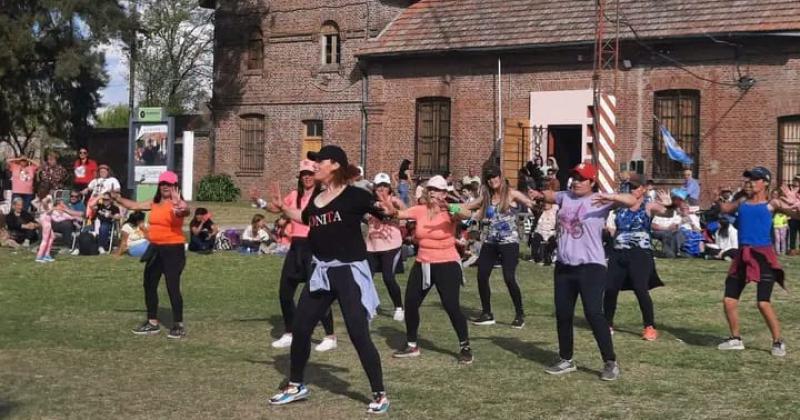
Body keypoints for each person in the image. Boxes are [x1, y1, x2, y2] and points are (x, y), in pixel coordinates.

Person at [268, 145, 390, 414]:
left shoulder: (355, 196)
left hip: (348, 272)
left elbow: (384, 212)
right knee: (301, 328)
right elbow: (306, 217)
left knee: (358, 333)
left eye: (319, 162)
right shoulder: (318, 199)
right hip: (321, 271)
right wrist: (282, 210)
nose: (315, 166)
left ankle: (379, 394)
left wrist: (388, 207)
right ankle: (296, 385)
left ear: (335, 165)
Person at [528, 162, 638, 381]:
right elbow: (550, 195)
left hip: (591, 266)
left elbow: (633, 201)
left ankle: (610, 362)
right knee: (563, 314)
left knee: (594, 314)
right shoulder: (565, 196)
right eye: (575, 178)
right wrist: (538, 193)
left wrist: (612, 197)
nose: (577, 182)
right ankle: (566, 359)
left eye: (582, 179)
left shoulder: (600, 201)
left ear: (592, 182)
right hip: (564, 266)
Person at [384, 175, 474, 364]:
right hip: (423, 262)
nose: (433, 192)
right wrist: (391, 209)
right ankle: (411, 344)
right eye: (430, 189)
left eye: (437, 190)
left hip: (447, 263)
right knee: (410, 303)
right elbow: (398, 215)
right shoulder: (420, 210)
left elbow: (467, 214)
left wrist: (450, 206)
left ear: (444, 193)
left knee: (451, 306)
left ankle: (465, 346)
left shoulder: (450, 211)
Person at [716, 167, 798, 357]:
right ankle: (735, 339)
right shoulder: (742, 202)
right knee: (729, 300)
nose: (750, 182)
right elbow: (725, 209)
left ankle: (778, 341)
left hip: (763, 256)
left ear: (765, 183)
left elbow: (796, 215)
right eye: (749, 179)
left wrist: (795, 203)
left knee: (763, 302)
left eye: (755, 179)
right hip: (743, 255)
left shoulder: (772, 203)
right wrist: (719, 198)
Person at [257, 159, 337, 352]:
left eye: (310, 174)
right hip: (296, 247)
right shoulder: (294, 195)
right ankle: (289, 332)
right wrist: (260, 203)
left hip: (314, 247)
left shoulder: (323, 196)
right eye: (303, 174)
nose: (307, 177)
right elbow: (278, 208)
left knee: (318, 293)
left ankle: (330, 335)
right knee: (285, 292)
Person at [111, 171, 189, 339]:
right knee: (149, 283)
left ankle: (178, 324)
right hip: (155, 248)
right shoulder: (154, 203)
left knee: (172, 286)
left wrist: (179, 205)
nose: (165, 187)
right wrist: (117, 198)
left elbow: (184, 211)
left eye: (168, 184)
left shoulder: (178, 203)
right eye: (162, 184)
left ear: (175, 186)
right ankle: (152, 322)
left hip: (173, 249)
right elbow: (134, 206)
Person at [465, 166, 537, 328]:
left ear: (500, 176)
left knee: (509, 277)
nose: (493, 180)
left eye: (495, 176)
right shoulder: (486, 196)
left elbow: (527, 201)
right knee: (482, 275)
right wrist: (449, 207)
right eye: (489, 178)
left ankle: (520, 314)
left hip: (509, 242)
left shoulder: (510, 193)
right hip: (490, 241)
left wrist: (535, 201)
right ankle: (487, 313)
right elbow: (469, 207)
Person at [603, 177, 670, 341]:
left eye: (635, 187)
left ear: (643, 189)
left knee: (640, 289)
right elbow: (611, 227)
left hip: (640, 254)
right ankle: (607, 323)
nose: (631, 190)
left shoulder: (647, 205)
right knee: (610, 289)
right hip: (619, 252)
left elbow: (667, 212)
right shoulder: (619, 207)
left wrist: (669, 204)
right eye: (629, 187)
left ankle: (649, 326)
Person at [366, 172, 406, 322]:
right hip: (371, 246)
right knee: (366, 278)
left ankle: (399, 307)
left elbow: (404, 212)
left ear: (389, 188)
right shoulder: (369, 202)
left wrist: (392, 209)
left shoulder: (394, 200)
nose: (381, 189)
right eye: (378, 186)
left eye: (384, 186)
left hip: (391, 245)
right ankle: (371, 305)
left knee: (388, 277)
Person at [33, 184, 57, 263]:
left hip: (43, 217)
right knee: (45, 239)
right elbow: (44, 202)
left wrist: (41, 209)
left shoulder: (40, 197)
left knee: (52, 236)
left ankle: (47, 254)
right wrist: (49, 209)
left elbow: (33, 202)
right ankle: (39, 256)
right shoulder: (48, 197)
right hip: (46, 218)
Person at [530, 200, 558, 265]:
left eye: (548, 203)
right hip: (540, 231)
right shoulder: (540, 211)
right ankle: (537, 258)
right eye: (545, 203)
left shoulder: (555, 212)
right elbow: (532, 208)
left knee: (553, 241)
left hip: (551, 232)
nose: (546, 204)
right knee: (536, 239)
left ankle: (549, 258)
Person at [772, 190, 789, 255]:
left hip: (783, 224)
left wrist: (786, 222)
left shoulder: (781, 203)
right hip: (775, 225)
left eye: (776, 194)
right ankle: (777, 251)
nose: (775, 195)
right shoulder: (771, 203)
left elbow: (787, 212)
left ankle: (783, 251)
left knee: (782, 239)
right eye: (773, 194)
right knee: (777, 239)